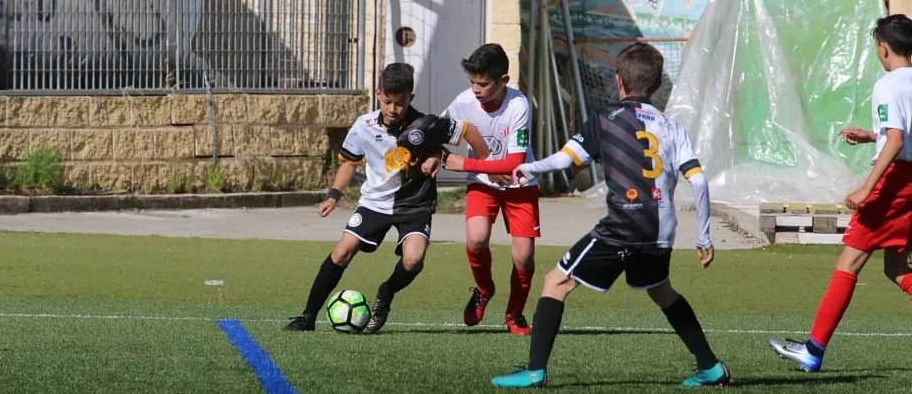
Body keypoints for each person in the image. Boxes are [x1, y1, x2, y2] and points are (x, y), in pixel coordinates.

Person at [490, 42, 730, 388]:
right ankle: (710, 367)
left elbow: (565, 159)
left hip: (621, 227)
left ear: (618, 81)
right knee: (662, 291)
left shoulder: (606, 119)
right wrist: (704, 237)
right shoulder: (671, 126)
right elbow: (700, 181)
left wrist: (529, 168)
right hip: (660, 230)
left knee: (555, 282)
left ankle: (534, 371)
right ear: (658, 85)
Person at [284, 62, 489, 334]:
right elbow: (349, 163)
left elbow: (468, 131)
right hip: (374, 203)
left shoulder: (426, 124)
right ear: (378, 93)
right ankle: (308, 316)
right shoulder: (363, 125)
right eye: (388, 102)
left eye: (400, 103)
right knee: (341, 252)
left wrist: (482, 164)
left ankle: (386, 292)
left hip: (415, 204)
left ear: (410, 99)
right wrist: (334, 194)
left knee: (413, 260)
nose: (393, 109)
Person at [769, 14, 912, 372]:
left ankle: (812, 350)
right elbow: (899, 134)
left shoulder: (889, 84)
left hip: (893, 183)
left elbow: (896, 139)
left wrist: (866, 187)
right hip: (911, 182)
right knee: (895, 268)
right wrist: (871, 135)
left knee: (848, 262)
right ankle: (812, 349)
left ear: (883, 47)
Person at [431, 44, 540, 336]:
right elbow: (434, 134)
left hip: (520, 184)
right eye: (472, 82)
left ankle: (515, 313)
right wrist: (437, 155)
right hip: (482, 183)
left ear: (503, 80)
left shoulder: (518, 105)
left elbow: (515, 162)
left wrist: (463, 162)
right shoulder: (463, 102)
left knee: (524, 257)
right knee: (477, 239)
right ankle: (483, 290)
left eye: (484, 84)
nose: (476, 89)